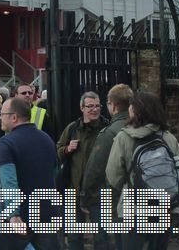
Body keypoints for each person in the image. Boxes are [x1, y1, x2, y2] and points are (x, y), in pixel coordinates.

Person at [106, 90, 179, 250]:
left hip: (133, 210)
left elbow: (113, 175)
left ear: (135, 110)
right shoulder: (168, 137)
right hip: (164, 208)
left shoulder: (124, 137)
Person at [0, 96, 60, 250]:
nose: (0, 118)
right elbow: (54, 174)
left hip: (21, 214)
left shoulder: (6, 142)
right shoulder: (47, 139)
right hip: (46, 211)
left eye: (2, 114)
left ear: (14, 117)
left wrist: (13, 214)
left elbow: (9, 181)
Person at [80, 83, 134, 250]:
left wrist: (85, 197)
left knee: (109, 240)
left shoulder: (109, 132)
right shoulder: (140, 127)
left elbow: (95, 169)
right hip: (139, 193)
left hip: (113, 198)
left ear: (113, 105)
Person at [56, 91, 107, 250]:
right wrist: (67, 149)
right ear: (82, 108)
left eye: (97, 106)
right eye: (90, 106)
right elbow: (57, 150)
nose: (94, 109)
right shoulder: (72, 128)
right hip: (73, 190)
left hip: (99, 192)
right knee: (73, 237)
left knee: (101, 236)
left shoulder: (107, 129)